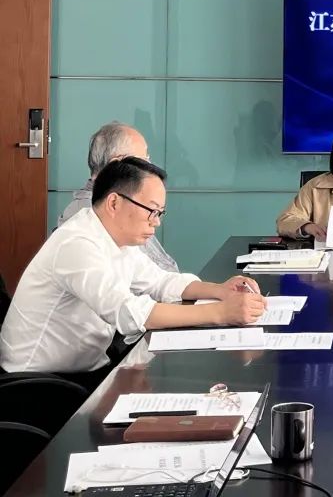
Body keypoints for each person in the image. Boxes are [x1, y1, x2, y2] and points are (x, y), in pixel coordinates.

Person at [0, 158, 266, 384]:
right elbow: (127, 312)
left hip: (87, 367)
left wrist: (219, 290)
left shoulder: (117, 239)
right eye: (151, 211)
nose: (156, 222)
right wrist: (220, 313)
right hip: (38, 382)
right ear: (114, 203)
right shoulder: (77, 244)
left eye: (160, 213)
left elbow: (160, 282)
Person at [57, 121, 179, 272]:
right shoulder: (93, 215)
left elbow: (153, 276)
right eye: (144, 160)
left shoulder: (125, 204)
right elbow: (139, 281)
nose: (149, 167)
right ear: (116, 165)